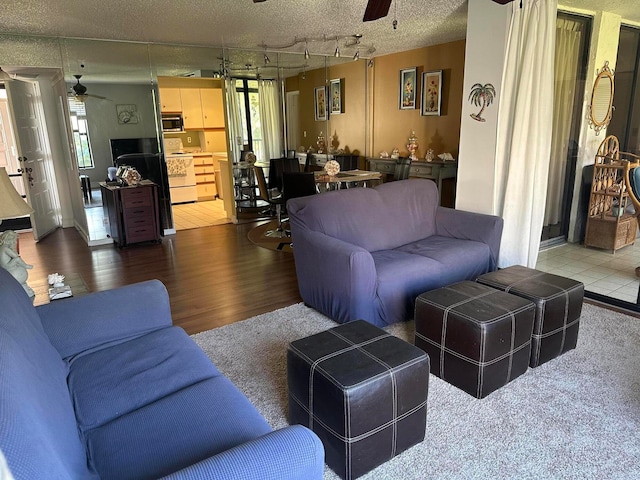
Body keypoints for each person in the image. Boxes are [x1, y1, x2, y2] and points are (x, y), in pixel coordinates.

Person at [0, 231, 34, 298]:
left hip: (3, 268)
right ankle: (25, 265)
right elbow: (15, 255)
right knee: (17, 259)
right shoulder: (6, 248)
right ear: (11, 240)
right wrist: (13, 248)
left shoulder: (1, 247)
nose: (15, 242)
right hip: (8, 266)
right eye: (14, 240)